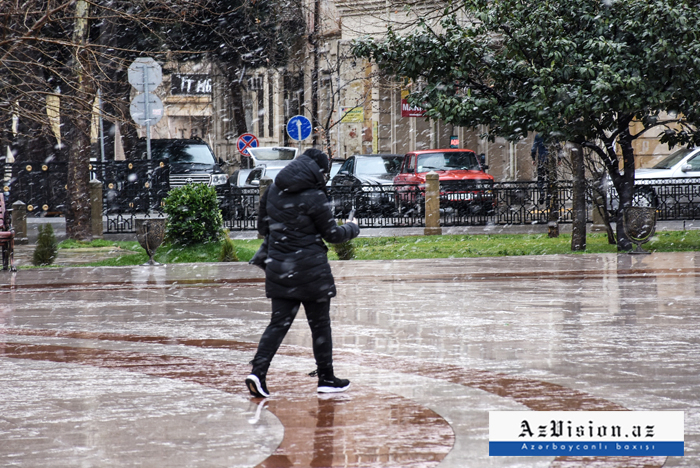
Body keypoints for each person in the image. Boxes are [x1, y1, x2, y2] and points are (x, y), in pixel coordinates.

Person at [245, 148, 360, 398]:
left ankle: (258, 372)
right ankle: (326, 378)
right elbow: (332, 235)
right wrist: (352, 228)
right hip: (311, 270)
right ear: (318, 171)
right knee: (320, 326)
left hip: (279, 267)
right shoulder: (315, 196)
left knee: (278, 324)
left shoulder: (273, 190)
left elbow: (263, 229)